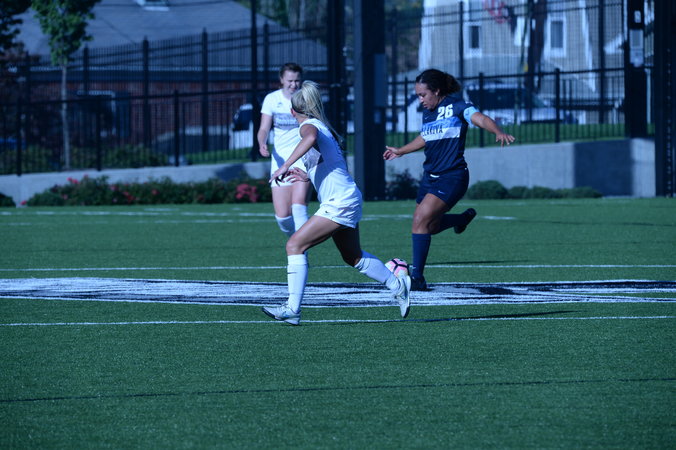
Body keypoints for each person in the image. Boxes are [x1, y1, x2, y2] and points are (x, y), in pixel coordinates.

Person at [262, 81, 411, 325]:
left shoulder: (309, 126)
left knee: (294, 245)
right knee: (353, 257)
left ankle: (292, 309)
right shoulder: (321, 126)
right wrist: (306, 175)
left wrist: (285, 165)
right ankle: (398, 285)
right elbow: (330, 164)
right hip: (346, 198)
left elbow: (309, 137)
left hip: (340, 201)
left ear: (292, 112)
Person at [383, 68, 515, 291]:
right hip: (430, 177)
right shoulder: (429, 112)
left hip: (452, 177)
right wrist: (402, 151)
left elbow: (480, 118)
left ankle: (418, 278)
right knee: (430, 226)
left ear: (436, 91)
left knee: (420, 221)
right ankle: (461, 220)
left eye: (423, 95)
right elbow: (425, 137)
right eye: (418, 95)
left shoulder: (458, 106)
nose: (420, 100)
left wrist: (497, 131)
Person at [257, 63, 312, 238]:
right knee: (283, 217)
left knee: (299, 206)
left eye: (297, 81)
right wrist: (262, 142)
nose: (293, 85)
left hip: (303, 157)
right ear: (281, 80)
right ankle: (297, 243)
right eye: (290, 81)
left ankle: (301, 248)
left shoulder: (307, 99)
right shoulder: (272, 99)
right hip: (280, 159)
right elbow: (264, 128)